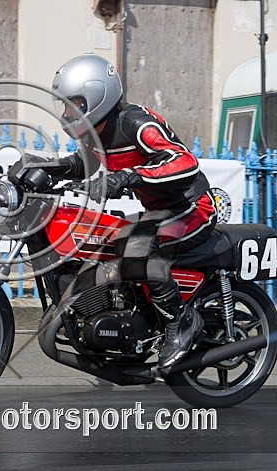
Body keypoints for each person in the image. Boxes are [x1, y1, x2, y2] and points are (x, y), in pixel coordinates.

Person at [37, 54, 217, 369]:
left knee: (140, 250)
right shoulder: (96, 134)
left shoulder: (136, 123)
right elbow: (83, 164)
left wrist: (131, 176)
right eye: (63, 105)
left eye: (73, 104)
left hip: (191, 207)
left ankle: (182, 322)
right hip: (158, 212)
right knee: (110, 243)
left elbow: (184, 162)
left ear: (96, 98)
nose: (66, 113)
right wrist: (47, 167)